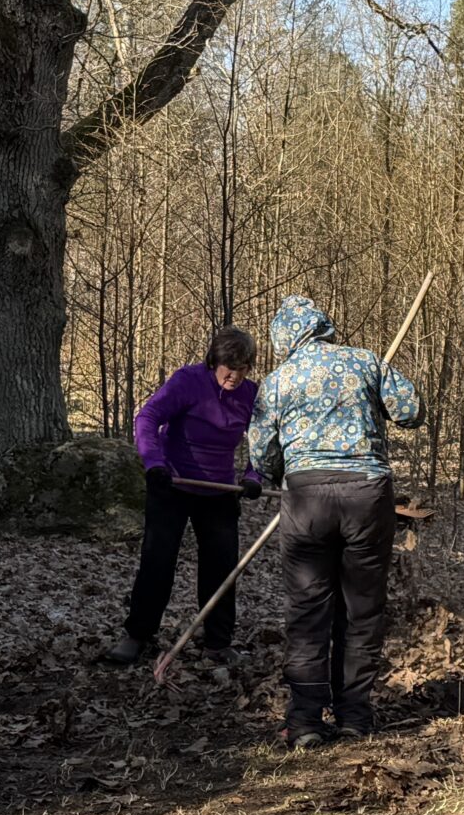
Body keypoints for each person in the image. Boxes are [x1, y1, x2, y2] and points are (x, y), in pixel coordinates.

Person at [249, 297, 423, 749]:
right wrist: (374, 392)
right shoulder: (365, 361)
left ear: (283, 339)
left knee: (308, 611)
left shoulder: (278, 380)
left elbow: (261, 453)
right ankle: (355, 717)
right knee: (361, 610)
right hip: (367, 496)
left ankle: (305, 720)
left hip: (306, 499)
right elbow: (411, 411)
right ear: (323, 326)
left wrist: (282, 473)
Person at [104, 326, 262, 667]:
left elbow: (264, 442)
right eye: (229, 367)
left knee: (222, 567)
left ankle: (218, 642)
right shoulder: (188, 381)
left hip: (219, 492)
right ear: (214, 361)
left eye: (243, 369)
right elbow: (148, 417)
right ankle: (138, 634)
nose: (234, 376)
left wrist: (253, 476)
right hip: (171, 484)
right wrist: (154, 463)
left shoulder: (251, 394)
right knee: (157, 561)